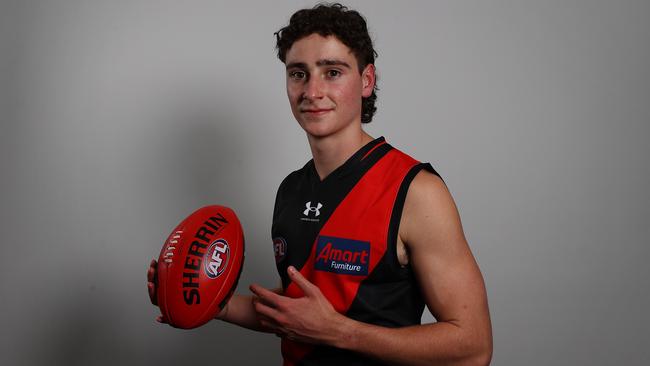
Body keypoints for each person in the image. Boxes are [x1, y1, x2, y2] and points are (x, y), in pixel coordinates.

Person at [148, 3, 492, 365]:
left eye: (332, 72)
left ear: (366, 81)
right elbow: (299, 312)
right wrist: (207, 299)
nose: (312, 91)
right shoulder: (292, 189)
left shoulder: (416, 191)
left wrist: (339, 332)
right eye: (299, 73)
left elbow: (474, 346)